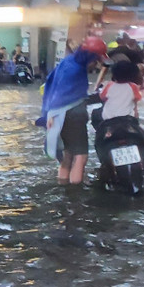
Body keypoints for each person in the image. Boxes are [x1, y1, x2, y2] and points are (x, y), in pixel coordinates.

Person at [39, 35, 108, 184]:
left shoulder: (67, 62)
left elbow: (52, 87)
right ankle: (74, 193)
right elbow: (74, 98)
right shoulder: (76, 71)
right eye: (95, 61)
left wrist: (48, 114)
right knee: (81, 156)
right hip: (73, 116)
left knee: (67, 155)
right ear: (90, 56)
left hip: (57, 116)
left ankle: (63, 186)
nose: (95, 65)